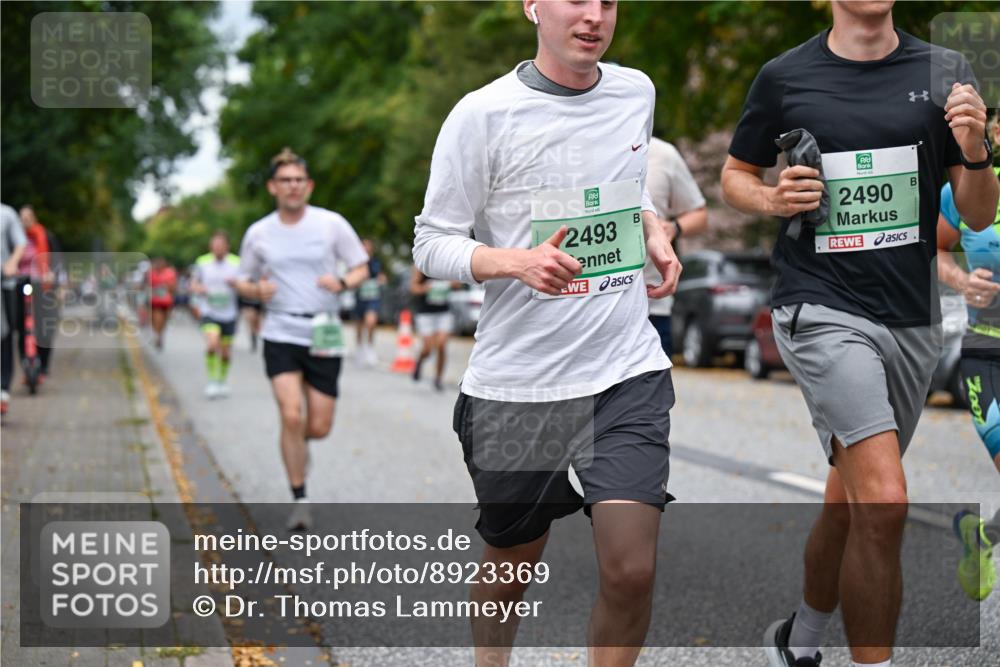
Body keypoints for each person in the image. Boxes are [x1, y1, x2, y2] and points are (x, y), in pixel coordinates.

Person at [719, 2, 999, 666]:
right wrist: (771, 198)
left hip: (909, 316)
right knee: (885, 498)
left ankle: (801, 640)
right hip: (819, 306)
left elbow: (976, 210)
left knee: (850, 499)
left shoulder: (946, 70)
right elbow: (735, 176)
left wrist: (976, 149)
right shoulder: (785, 77)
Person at [413, 1, 681, 664]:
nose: (593, 16)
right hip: (517, 383)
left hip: (626, 371)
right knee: (511, 561)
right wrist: (513, 261)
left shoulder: (636, 90)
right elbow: (430, 242)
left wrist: (653, 228)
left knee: (631, 569)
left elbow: (625, 184)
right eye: (575, 0)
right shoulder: (482, 114)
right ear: (532, 5)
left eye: (608, 2)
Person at [234, 148, 369, 531]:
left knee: (318, 426)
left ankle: (298, 441)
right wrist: (255, 291)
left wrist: (342, 282)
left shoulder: (331, 224)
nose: (292, 186)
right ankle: (300, 498)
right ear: (272, 187)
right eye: (285, 180)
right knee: (291, 414)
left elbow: (361, 267)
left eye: (298, 180)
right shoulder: (259, 233)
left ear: (308, 186)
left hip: (323, 329)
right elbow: (243, 279)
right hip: (280, 330)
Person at [935, 109, 999, 602]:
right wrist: (961, 279)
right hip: (987, 351)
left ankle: (983, 537)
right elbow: (936, 250)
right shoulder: (967, 188)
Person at [643, 137, 708, 358]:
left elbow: (700, 214)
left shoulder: (663, 154)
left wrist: (673, 228)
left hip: (652, 307)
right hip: (583, 304)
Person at [191, 231, 241, 399]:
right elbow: (193, 285)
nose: (217, 248)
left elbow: (246, 284)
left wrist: (237, 284)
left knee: (226, 353)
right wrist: (200, 289)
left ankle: (222, 381)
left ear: (227, 246)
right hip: (209, 311)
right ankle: (212, 381)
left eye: (221, 245)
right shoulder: (202, 262)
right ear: (211, 246)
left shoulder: (237, 263)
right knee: (212, 344)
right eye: (214, 245)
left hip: (229, 313)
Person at [15, 206, 61, 382]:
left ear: (34, 217)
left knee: (43, 325)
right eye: (22, 217)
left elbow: (57, 260)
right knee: (21, 325)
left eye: (28, 217)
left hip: (43, 284)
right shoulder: (17, 237)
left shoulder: (45, 236)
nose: (24, 220)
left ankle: (43, 365)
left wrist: (51, 275)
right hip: (21, 282)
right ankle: (26, 365)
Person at [0, 203, 27, 416]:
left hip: (5, 284)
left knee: (5, 335)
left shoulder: (6, 213)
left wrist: (12, 262)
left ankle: (3, 390)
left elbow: (20, 244)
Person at [409, 268, 455, 391]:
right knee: (427, 349)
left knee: (441, 345)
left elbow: (458, 284)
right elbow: (413, 288)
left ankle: (438, 379)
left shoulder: (447, 262)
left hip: (443, 312)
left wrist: (449, 283)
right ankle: (419, 361)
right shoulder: (421, 264)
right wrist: (426, 288)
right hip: (425, 313)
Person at [354, 238, 386, 367]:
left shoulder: (376, 262)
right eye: (363, 246)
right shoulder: (355, 262)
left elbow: (380, 275)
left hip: (373, 296)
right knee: (360, 325)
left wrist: (382, 278)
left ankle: (370, 347)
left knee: (371, 321)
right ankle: (360, 347)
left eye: (367, 246)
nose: (365, 248)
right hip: (360, 297)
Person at [148, 258, 177, 350]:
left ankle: (159, 335)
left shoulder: (170, 272)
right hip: (155, 301)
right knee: (155, 318)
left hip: (166, 301)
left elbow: (173, 286)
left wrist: (166, 286)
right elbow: (147, 285)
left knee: (163, 320)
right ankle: (158, 335)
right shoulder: (151, 273)